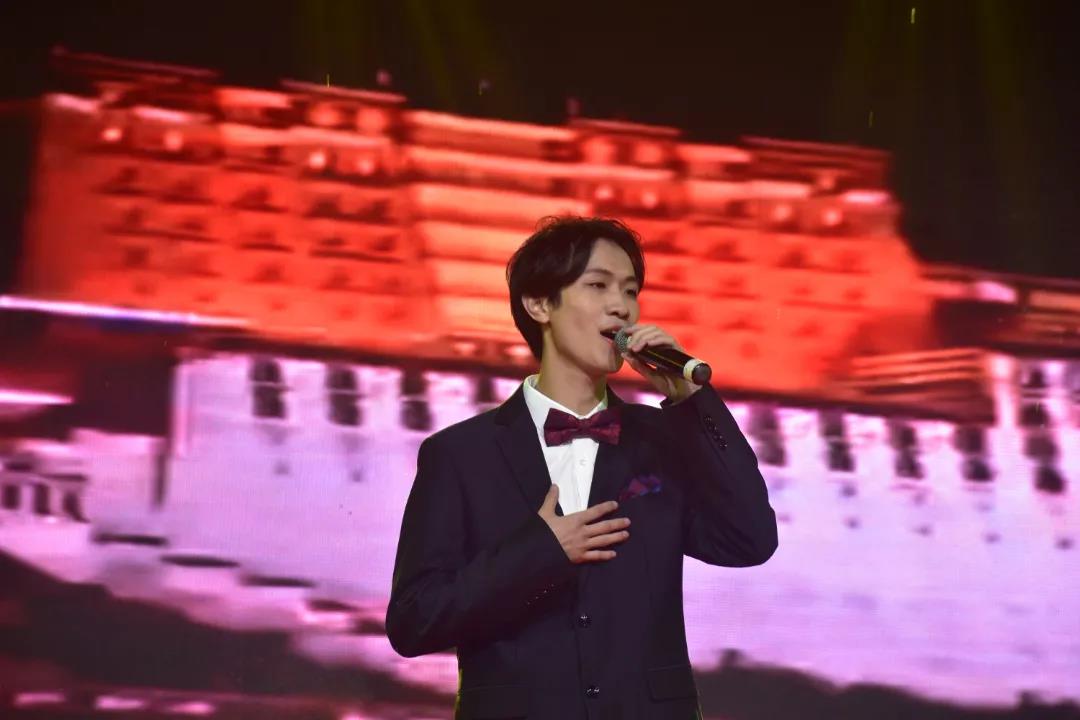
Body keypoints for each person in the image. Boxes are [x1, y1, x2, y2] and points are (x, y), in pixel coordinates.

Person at [386, 216, 777, 720]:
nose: (622, 306)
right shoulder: (461, 454)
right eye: (598, 286)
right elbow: (414, 620)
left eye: (631, 291)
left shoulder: (663, 440)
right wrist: (541, 552)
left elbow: (750, 540)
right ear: (539, 304)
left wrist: (693, 403)